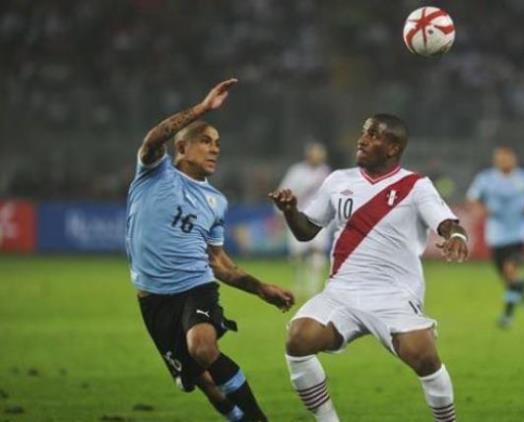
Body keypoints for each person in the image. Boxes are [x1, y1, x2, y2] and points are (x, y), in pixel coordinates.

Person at [270, 114, 468, 422]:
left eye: (373, 135)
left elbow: (447, 223)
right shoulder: (338, 180)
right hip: (342, 292)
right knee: (299, 338)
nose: (362, 140)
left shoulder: (415, 186)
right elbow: (307, 231)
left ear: (393, 147)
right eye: (364, 133)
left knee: (424, 356)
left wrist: (456, 236)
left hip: (394, 295)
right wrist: (290, 212)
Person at [125, 78, 294, 421]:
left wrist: (261, 288)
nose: (215, 149)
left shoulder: (216, 201)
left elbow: (218, 262)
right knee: (202, 382)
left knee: (202, 347)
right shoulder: (155, 174)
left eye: (217, 144)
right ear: (182, 147)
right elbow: (154, 138)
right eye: (205, 141)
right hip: (153, 299)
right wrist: (202, 109)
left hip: (195, 287)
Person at [466, 146, 524, 328]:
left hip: (519, 234)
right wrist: (480, 209)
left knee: (510, 270)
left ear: (514, 159)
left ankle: (507, 316)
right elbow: (472, 197)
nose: (503, 161)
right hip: (496, 236)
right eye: (499, 158)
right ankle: (520, 285)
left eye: (506, 158)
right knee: (508, 279)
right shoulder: (486, 178)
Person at [277, 142, 331, 296]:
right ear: (308, 155)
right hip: (297, 216)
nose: (317, 157)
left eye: (320, 155)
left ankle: (313, 286)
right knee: (297, 255)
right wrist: (281, 212)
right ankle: (299, 283)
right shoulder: (297, 172)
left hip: (319, 218)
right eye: (315, 154)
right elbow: (284, 191)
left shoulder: (326, 173)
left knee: (318, 252)